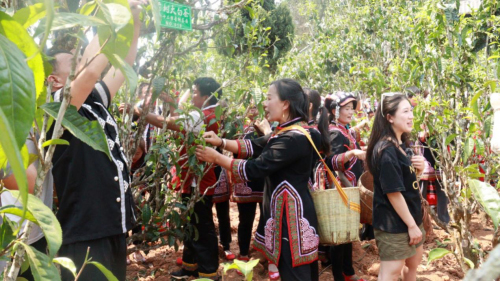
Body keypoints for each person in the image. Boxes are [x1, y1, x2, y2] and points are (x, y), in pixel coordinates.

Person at [195, 79, 331, 281]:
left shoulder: (293, 138)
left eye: (269, 98)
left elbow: (255, 168)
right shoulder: (291, 131)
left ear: (285, 103)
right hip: (291, 214)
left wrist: (216, 157)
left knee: (295, 273)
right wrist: (221, 141)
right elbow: (255, 145)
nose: (265, 104)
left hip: (291, 221)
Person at [46, 1, 144, 280]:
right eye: (74, 61)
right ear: (54, 80)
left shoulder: (93, 101)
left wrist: (134, 19)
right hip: (84, 235)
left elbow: (125, 63)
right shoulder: (58, 108)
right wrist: (114, 15)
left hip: (112, 228)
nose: (82, 62)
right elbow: (90, 72)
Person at [120, 77, 222, 280]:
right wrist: (172, 104)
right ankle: (191, 267)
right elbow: (178, 126)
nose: (192, 96)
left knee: (202, 227)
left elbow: (164, 122)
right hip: (193, 178)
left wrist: (138, 111)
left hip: (198, 180)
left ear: (207, 96)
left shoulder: (200, 115)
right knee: (192, 224)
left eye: (195, 92)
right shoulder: (204, 114)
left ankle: (208, 272)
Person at [366, 93, 426, 281]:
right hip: (395, 224)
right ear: (389, 117)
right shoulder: (386, 151)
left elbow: (407, 181)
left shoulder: (402, 144)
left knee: (412, 266)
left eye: (411, 111)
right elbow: (393, 193)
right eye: (406, 111)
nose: (411, 116)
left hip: (412, 219)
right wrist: (411, 225)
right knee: (391, 273)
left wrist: (420, 168)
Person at [323, 92, 367, 281]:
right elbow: (331, 161)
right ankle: (339, 275)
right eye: (346, 109)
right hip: (340, 189)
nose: (350, 112)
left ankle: (348, 271)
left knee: (348, 230)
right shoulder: (335, 131)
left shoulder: (345, 129)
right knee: (339, 233)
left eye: (351, 109)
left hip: (349, 187)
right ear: (335, 111)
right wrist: (352, 155)